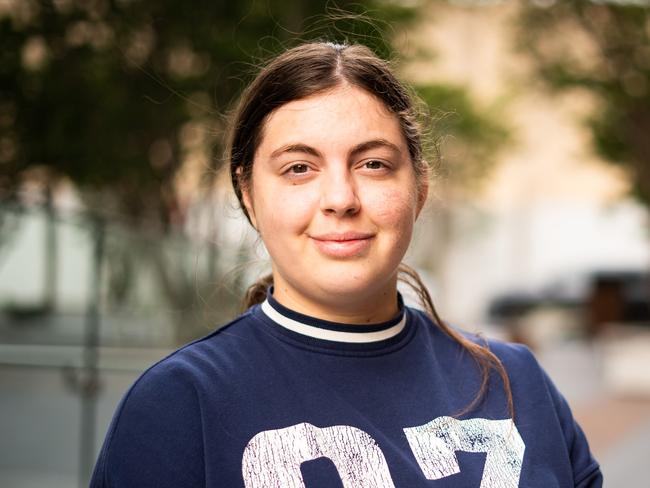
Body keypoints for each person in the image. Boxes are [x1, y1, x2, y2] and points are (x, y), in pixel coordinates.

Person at [90, 42, 603, 487]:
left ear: (418, 188)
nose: (340, 198)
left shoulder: (517, 385)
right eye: (299, 168)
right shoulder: (182, 402)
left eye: (373, 164)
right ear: (248, 195)